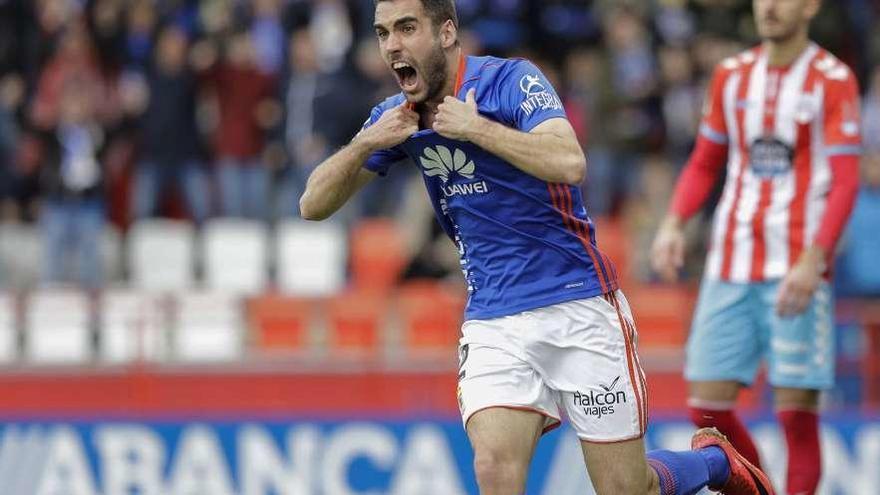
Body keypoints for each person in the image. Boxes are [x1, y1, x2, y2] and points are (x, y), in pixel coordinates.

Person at [300, 1, 776, 494]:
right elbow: (312, 204)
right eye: (382, 33)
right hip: (494, 319)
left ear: (445, 33)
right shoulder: (397, 119)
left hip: (579, 304)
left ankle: (715, 462)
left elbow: (570, 161)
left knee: (628, 489)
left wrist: (475, 128)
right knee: (494, 470)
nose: (392, 45)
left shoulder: (511, 81)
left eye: (406, 28)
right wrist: (363, 144)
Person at [651, 1, 862, 494]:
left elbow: (847, 181)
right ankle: (759, 486)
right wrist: (673, 223)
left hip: (796, 269)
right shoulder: (732, 74)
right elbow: (705, 161)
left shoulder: (832, 78)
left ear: (810, 6)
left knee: (796, 415)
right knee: (706, 407)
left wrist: (815, 260)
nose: (768, 5)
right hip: (730, 262)